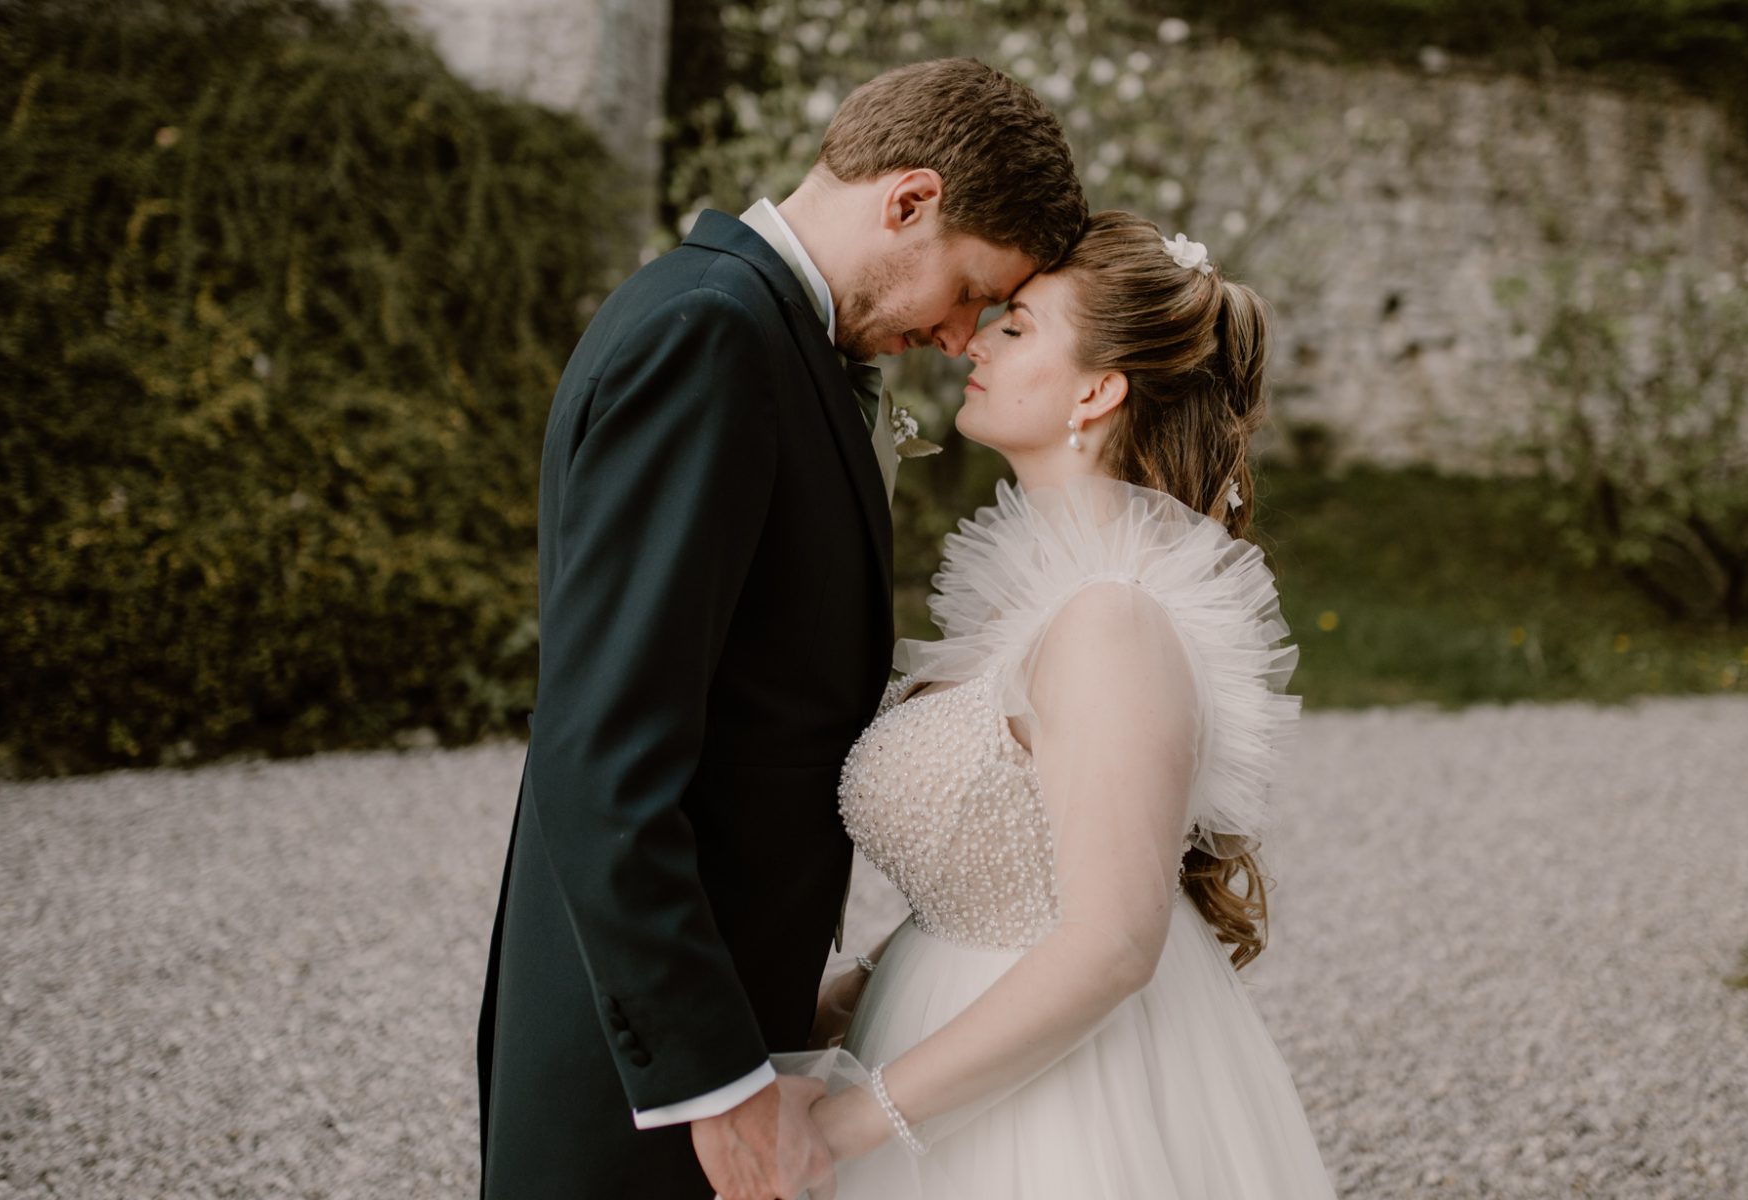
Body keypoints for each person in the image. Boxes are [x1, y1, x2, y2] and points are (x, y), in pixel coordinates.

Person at [474, 59, 1086, 1200]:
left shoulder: (756, 329)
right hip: (646, 1071)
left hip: (723, 1001)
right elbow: (600, 748)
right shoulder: (713, 338)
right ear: (908, 201)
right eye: (967, 290)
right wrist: (713, 1079)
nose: (959, 337)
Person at [781, 211, 1339, 1197]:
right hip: (929, 1038)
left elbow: (1112, 943)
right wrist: (840, 1003)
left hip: (1054, 1106)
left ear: (1097, 388)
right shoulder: (1024, 601)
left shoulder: (1110, 623)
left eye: (1017, 325)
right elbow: (997, 874)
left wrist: (845, 1127)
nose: (973, 341)